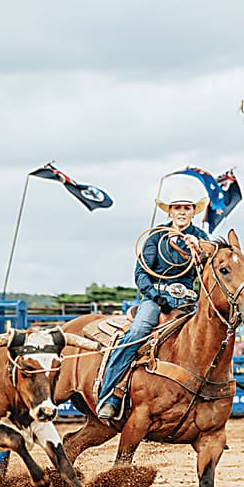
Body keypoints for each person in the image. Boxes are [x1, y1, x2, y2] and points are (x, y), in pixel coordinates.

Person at [96, 174, 211, 421]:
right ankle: (110, 395)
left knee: (211, 336)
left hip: (189, 299)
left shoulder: (201, 238)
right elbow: (141, 274)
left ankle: (210, 401)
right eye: (177, 207)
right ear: (169, 211)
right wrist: (156, 297)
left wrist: (199, 250)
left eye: (187, 208)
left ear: (194, 212)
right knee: (137, 333)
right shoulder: (155, 236)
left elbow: (211, 271)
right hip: (156, 296)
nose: (182, 212)